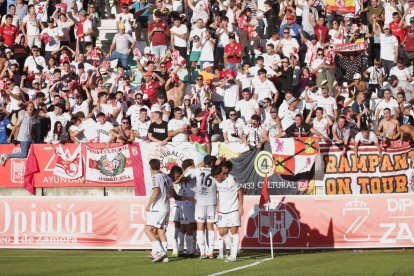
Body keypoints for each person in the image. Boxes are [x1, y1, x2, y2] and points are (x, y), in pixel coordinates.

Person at [183, 155, 217, 259]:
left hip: (199, 202)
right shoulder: (215, 171)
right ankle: (210, 251)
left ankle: (202, 252)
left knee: (200, 227)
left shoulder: (197, 170)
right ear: (212, 163)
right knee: (210, 227)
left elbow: (185, 176)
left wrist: (190, 169)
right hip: (211, 202)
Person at [211, 163, 243, 262]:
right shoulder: (217, 182)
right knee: (222, 233)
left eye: (217, 177)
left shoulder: (232, 179)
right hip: (222, 211)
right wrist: (217, 207)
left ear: (221, 174)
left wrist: (241, 206)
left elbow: (240, 191)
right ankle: (233, 247)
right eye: (214, 177)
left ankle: (233, 255)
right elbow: (219, 196)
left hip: (233, 210)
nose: (216, 179)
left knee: (234, 232)